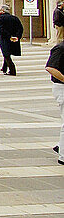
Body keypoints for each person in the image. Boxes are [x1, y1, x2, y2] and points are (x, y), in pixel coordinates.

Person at [46, 36, 64, 165]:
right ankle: (63, 155)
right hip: (61, 87)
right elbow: (50, 68)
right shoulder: (61, 48)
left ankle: (60, 146)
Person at [0, 4, 23, 76]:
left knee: (6, 54)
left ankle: (12, 70)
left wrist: (9, 36)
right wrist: (17, 36)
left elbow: (1, 29)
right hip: (14, 38)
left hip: (4, 38)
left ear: (2, 11)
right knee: (8, 52)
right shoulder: (14, 18)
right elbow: (20, 28)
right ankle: (4, 67)